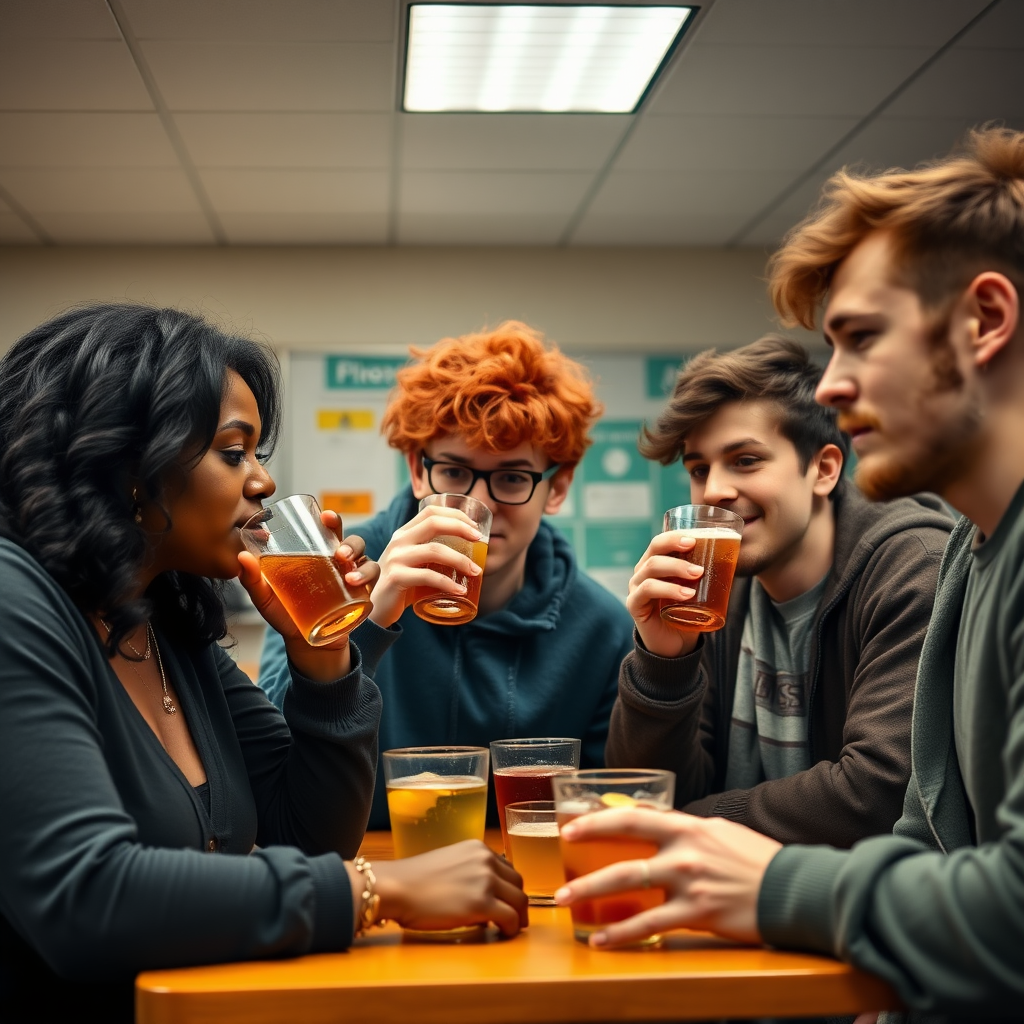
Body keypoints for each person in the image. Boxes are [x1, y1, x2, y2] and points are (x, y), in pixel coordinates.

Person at [555, 126, 1024, 1021]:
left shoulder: (921, 555)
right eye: (698, 469)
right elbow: (931, 838)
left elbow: (907, 822)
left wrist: (752, 866)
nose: (837, 389)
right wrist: (659, 660)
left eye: (860, 339)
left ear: (985, 320)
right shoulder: (977, 547)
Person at [0, 304, 526, 1024]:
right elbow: (84, 896)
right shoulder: (13, 600)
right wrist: (378, 890)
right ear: (128, 464)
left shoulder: (166, 629)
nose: (264, 484)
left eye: (259, 454)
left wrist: (325, 659)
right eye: (233, 451)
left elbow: (305, 835)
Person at [259, 321, 635, 830]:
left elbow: (606, 809)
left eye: (511, 478)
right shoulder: (332, 569)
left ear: (559, 486)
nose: (478, 507)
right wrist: (367, 622)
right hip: (363, 876)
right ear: (418, 470)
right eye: (454, 473)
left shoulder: (602, 627)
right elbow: (272, 766)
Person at [605, 335, 953, 846]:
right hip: (725, 906)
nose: (717, 490)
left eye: (745, 460)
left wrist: (687, 827)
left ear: (824, 469)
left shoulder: (909, 568)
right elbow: (648, 792)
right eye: (700, 469)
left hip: (858, 912)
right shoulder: (717, 588)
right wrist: (664, 660)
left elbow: (875, 794)